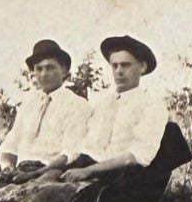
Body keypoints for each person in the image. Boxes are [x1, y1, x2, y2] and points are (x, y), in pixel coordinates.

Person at [64, 36, 171, 185]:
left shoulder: (152, 105)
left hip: (120, 176)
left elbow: (136, 156)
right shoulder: (103, 103)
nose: (119, 72)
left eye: (125, 65)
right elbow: (87, 146)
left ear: (142, 67)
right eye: (114, 66)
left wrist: (89, 171)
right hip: (86, 166)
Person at [0, 40, 92, 175]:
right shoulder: (28, 105)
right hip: (21, 172)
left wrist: (34, 174)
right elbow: (9, 147)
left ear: (63, 71)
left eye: (50, 68)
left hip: (52, 173)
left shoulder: (76, 104)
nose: (44, 74)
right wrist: (7, 168)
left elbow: (70, 152)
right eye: (39, 69)